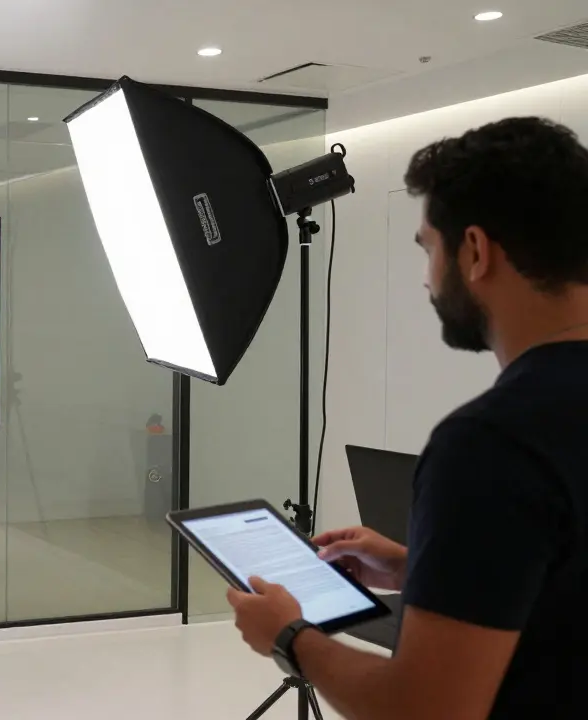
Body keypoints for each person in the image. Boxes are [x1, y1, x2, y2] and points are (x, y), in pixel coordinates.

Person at [227, 117, 588, 719]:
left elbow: (425, 710)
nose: (426, 278)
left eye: (428, 249)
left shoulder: (489, 446)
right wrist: (421, 565)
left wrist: (290, 636)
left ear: (474, 251)